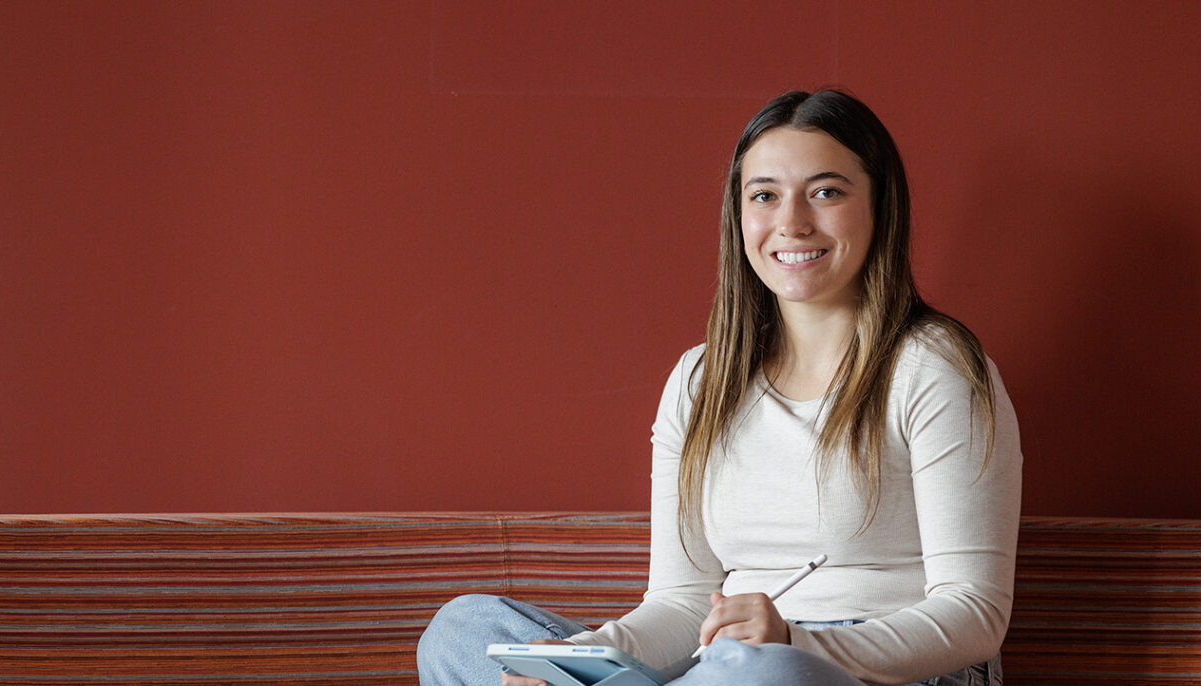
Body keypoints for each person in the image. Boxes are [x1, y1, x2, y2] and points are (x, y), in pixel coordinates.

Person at [416, 89, 1022, 686]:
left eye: (826, 192)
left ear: (880, 206)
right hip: (724, 665)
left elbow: (975, 613)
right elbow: (682, 605)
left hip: (878, 670)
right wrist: (570, 662)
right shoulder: (700, 381)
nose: (792, 222)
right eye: (765, 196)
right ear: (739, 215)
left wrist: (796, 643)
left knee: (754, 671)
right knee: (462, 630)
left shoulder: (937, 368)